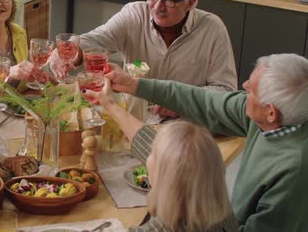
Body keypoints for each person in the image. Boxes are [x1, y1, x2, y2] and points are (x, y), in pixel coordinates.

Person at [101, 53, 308, 231]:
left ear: (271, 112)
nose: (243, 86)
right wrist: (133, 88)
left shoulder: (294, 173)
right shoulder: (275, 115)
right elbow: (201, 101)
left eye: (251, 89)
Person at [51, 0, 237, 119]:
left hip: (185, 129)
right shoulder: (134, 14)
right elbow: (97, 40)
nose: (158, 7)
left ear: (191, 3)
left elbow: (226, 92)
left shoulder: (212, 29)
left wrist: (181, 102)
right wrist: (69, 51)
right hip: (133, 120)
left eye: (169, 1)